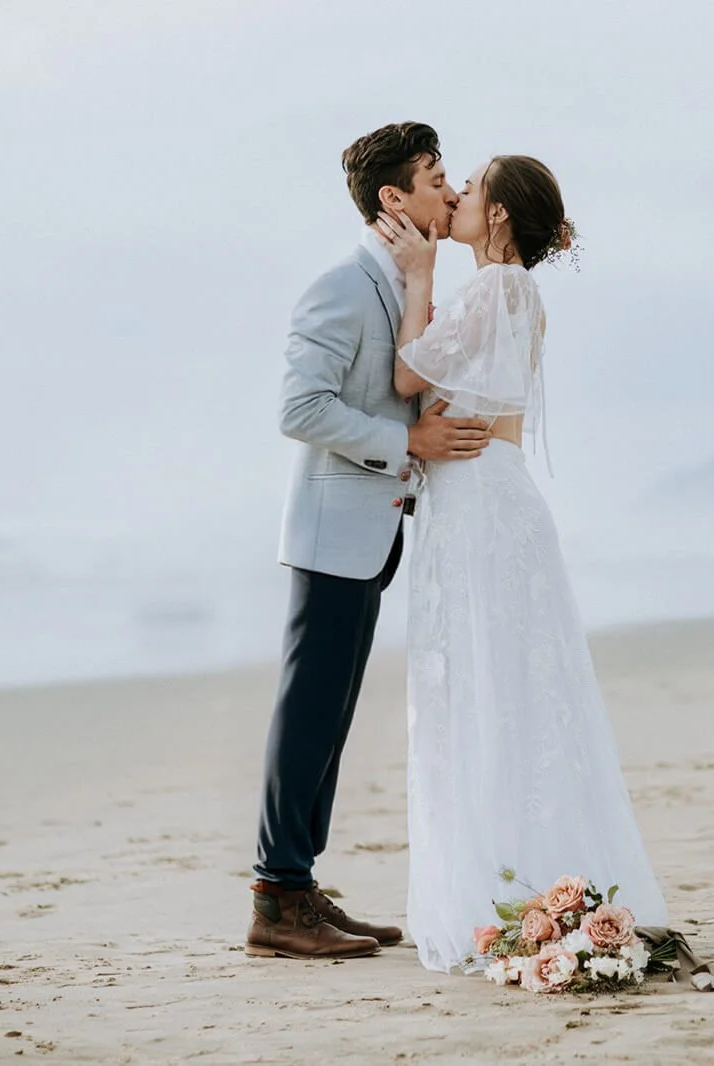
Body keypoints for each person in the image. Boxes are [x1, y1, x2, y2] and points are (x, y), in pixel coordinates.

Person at [373, 155, 668, 972]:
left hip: (476, 507)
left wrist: (418, 276)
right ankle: (525, 882)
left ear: (499, 215)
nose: (459, 195)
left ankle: (501, 886)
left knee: (478, 690)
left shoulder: (494, 290)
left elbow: (406, 375)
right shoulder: (519, 298)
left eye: (472, 186)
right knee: (508, 691)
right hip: (487, 497)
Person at [245, 122, 496, 960]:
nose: (451, 192)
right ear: (394, 198)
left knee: (331, 716)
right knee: (309, 713)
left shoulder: (401, 280)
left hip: (372, 531)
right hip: (331, 529)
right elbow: (299, 409)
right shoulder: (339, 287)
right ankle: (276, 901)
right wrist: (408, 446)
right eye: (435, 179)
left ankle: (298, 886)